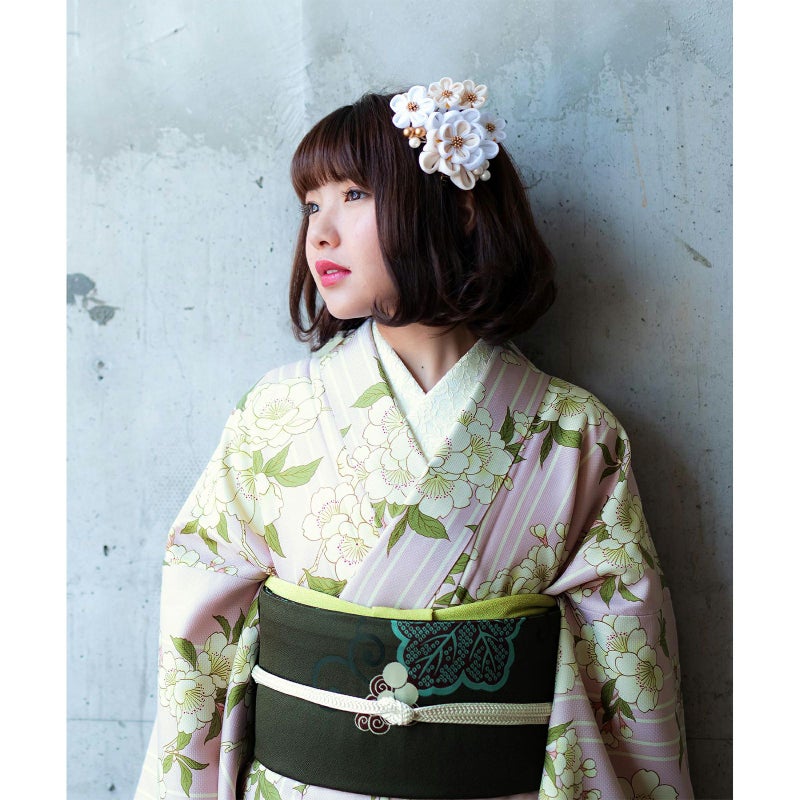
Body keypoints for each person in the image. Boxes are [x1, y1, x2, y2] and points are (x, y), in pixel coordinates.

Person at [135, 78, 693, 800]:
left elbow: (627, 664)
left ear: (456, 208)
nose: (320, 233)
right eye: (311, 205)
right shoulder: (272, 414)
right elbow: (198, 635)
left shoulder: (575, 433)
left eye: (353, 195)